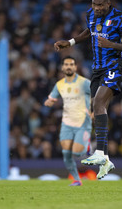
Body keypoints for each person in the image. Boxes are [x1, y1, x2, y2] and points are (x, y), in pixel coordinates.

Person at [54, 0, 122, 179]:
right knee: (97, 109)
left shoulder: (120, 19)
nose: (97, 8)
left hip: (115, 66)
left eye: (100, 5)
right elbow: (89, 32)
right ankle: (106, 160)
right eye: (94, 4)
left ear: (108, 4)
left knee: (98, 103)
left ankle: (99, 153)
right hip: (98, 70)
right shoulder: (91, 15)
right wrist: (71, 42)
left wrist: (111, 45)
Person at [44, 56, 91, 186]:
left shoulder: (84, 83)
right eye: (66, 64)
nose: (69, 67)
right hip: (67, 122)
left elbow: (96, 96)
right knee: (66, 153)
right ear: (63, 68)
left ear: (75, 67)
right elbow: (52, 97)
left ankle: (87, 146)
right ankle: (77, 180)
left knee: (76, 151)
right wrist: (49, 101)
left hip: (82, 121)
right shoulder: (59, 84)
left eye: (71, 64)